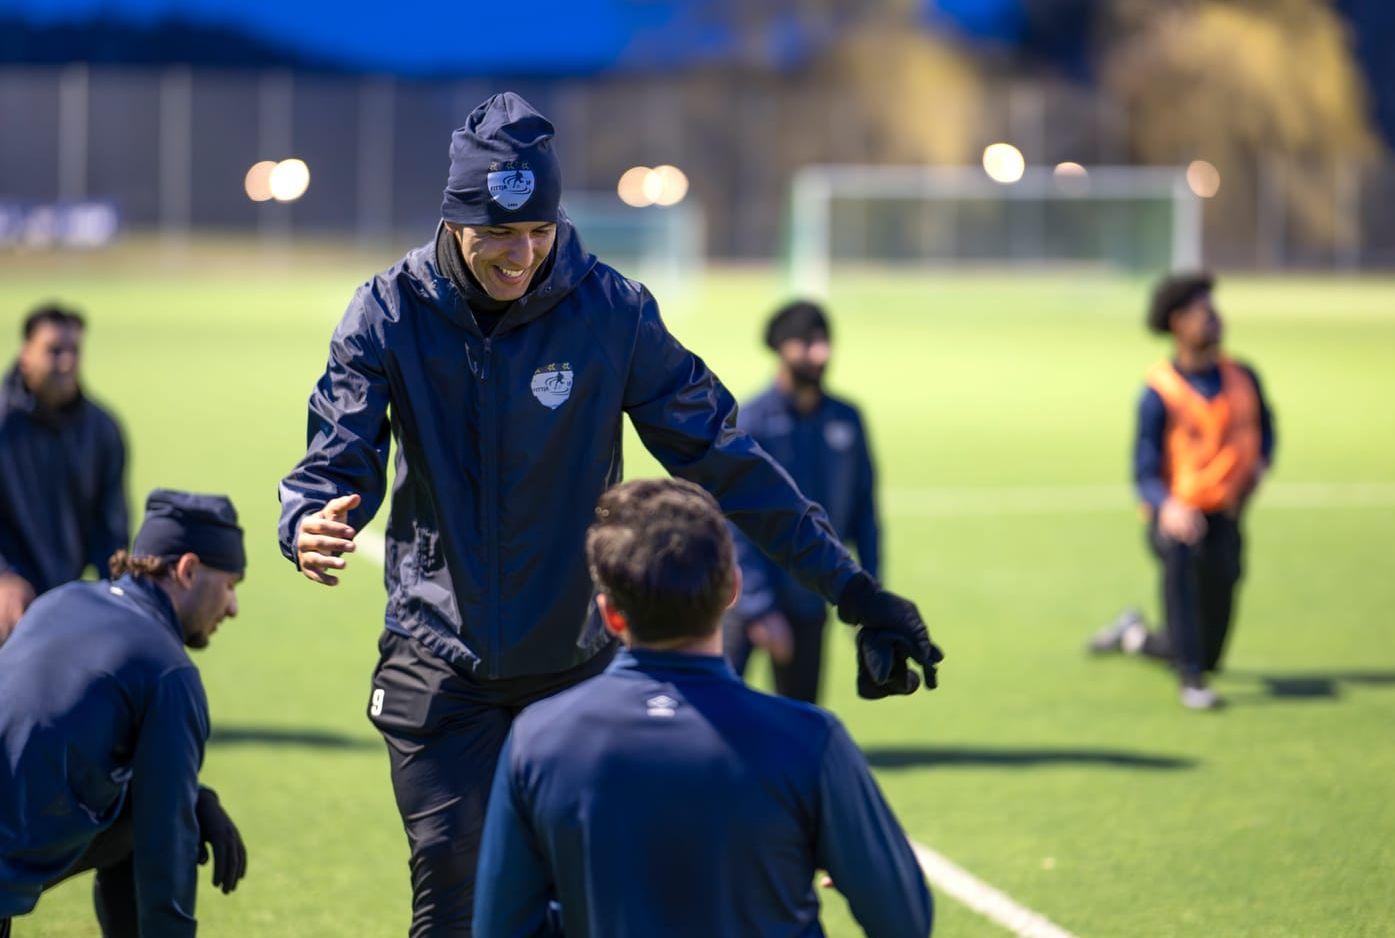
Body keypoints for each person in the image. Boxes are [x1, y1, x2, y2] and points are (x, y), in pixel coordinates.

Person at [278, 91, 942, 937]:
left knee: (602, 907)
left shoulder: (611, 312)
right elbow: (335, 458)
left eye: (538, 232)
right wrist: (307, 517)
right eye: (498, 235)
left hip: (579, 668)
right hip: (438, 665)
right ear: (453, 221)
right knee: (456, 904)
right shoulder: (388, 311)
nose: (521, 255)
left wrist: (851, 590)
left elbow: (727, 458)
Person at [473, 478, 933, 938]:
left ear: (610, 614)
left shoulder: (538, 740)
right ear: (733, 588)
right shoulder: (809, 740)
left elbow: (500, 928)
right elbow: (905, 921)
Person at [0, 489, 248, 937]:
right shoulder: (168, 670)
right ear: (188, 570)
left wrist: (194, 797)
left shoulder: (62, 601)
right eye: (230, 585)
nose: (233, 607)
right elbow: (166, 843)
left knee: (145, 811)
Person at [1088, 273, 1276, 709]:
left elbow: (1266, 428)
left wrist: (1263, 461)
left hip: (1226, 518)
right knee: (1181, 554)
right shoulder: (1158, 391)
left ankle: (1135, 636)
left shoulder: (1242, 375)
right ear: (1177, 323)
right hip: (1178, 517)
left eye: (1215, 311)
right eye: (1203, 313)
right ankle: (1191, 682)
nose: (1214, 320)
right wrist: (1168, 506)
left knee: (1209, 651)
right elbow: (1143, 470)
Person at [0, 303, 129, 693]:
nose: (67, 362)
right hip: (7, 585)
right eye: (54, 350)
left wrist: (121, 597)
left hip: (68, 586)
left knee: (68, 690)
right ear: (25, 354)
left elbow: (111, 526)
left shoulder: (103, 430)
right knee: (40, 692)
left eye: (74, 351)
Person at [726, 299, 880, 703]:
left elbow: (864, 510)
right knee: (717, 719)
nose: (821, 353)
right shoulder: (750, 422)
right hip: (745, 600)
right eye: (807, 342)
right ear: (780, 348)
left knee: (801, 720)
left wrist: (870, 597)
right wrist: (758, 608)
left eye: (825, 341)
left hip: (810, 598)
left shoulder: (847, 418)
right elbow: (731, 519)